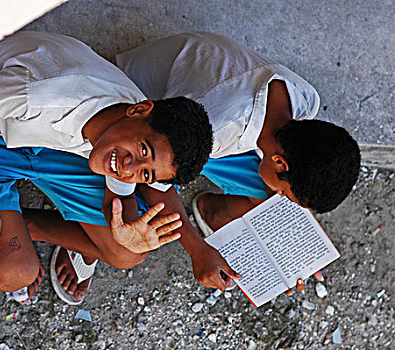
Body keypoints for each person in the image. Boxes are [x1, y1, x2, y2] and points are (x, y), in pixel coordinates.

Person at [0, 31, 214, 304]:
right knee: (13, 272)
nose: (129, 167)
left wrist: (125, 229)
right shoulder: (44, 94)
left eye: (146, 174)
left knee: (127, 254)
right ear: (139, 110)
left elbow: (123, 194)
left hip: (51, 145)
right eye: (143, 150)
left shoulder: (121, 138)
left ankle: (21, 224)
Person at [114, 32, 361, 292]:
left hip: (196, 108)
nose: (281, 195)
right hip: (136, 111)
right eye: (284, 192)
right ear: (279, 163)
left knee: (273, 209)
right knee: (132, 234)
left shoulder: (304, 102)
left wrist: (294, 247)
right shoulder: (216, 128)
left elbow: (291, 179)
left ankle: (213, 211)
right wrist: (196, 248)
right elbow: (155, 180)